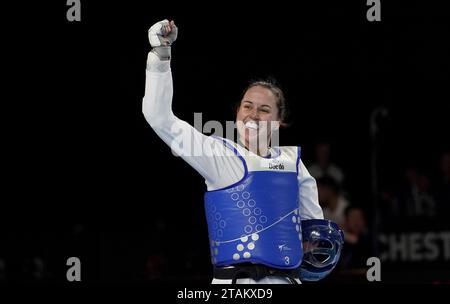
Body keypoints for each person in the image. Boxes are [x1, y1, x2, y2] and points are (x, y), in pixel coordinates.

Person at [142, 19, 343, 284]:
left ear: (279, 120)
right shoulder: (218, 155)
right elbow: (159, 118)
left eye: (264, 109)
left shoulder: (294, 164)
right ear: (237, 112)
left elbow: (314, 234)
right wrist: (161, 54)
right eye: (248, 106)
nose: (253, 115)